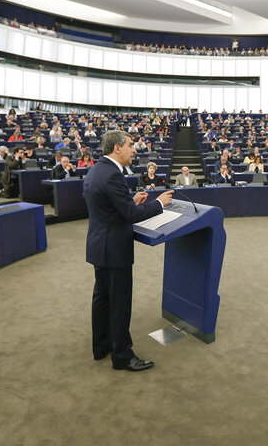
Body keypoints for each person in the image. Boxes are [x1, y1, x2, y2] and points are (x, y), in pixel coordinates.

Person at [83, 130, 174, 371]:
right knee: (119, 304)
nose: (134, 149)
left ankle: (101, 346)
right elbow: (131, 216)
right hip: (114, 251)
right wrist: (159, 204)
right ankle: (122, 356)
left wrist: (129, 201)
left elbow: (108, 207)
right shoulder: (113, 175)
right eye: (131, 144)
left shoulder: (97, 170)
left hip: (99, 247)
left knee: (102, 300)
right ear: (117, 148)